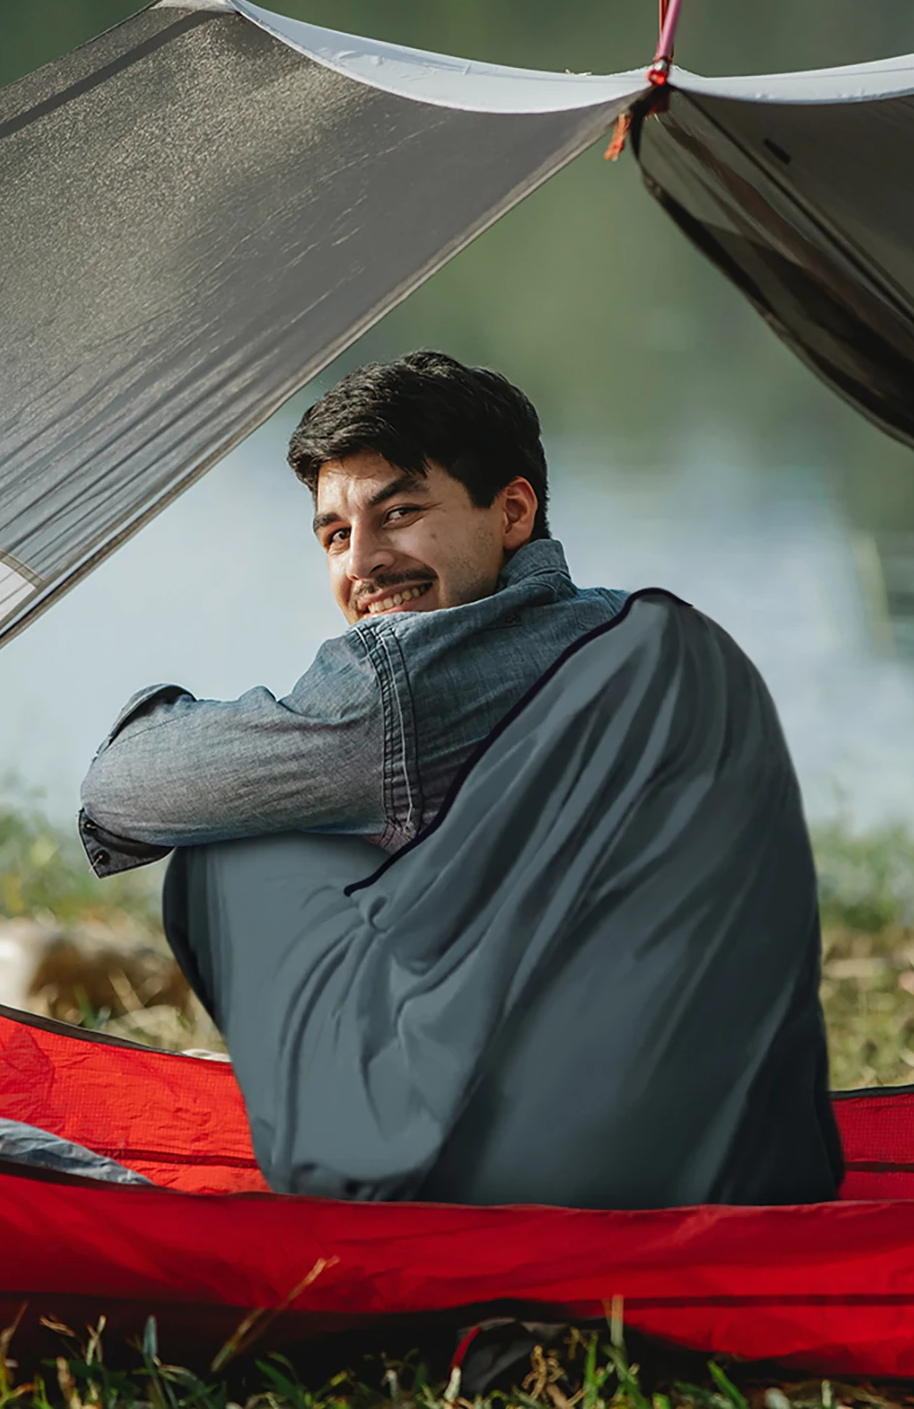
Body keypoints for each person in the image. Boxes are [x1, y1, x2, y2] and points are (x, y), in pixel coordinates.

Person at [80, 350, 843, 1208]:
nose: (362, 561)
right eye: (336, 534)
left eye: (399, 512)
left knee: (232, 848)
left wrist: (181, 724)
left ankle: (361, 1172)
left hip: (552, 1188)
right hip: (761, 1166)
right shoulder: (630, 631)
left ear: (513, 511)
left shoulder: (410, 679)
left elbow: (120, 792)